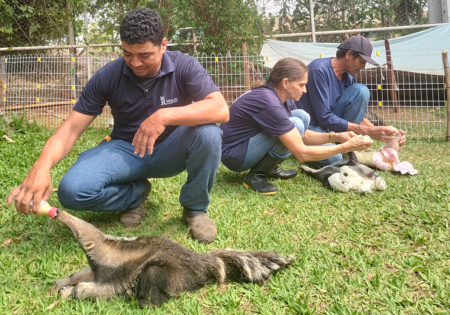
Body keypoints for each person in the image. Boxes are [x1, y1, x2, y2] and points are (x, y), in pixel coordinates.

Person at [6, 9, 229, 244]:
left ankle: (194, 209)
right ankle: (135, 194)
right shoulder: (108, 76)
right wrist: (41, 166)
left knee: (209, 133)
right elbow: (71, 129)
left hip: (171, 150)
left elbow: (220, 109)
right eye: (127, 53)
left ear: (163, 45)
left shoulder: (184, 66)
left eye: (144, 55)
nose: (135, 62)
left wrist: (163, 116)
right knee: (72, 191)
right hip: (126, 151)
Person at [220, 58, 373, 195]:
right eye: (301, 85)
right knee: (296, 123)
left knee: (301, 116)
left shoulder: (283, 96)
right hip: (234, 154)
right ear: (285, 83)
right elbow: (301, 154)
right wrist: (345, 147)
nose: (305, 90)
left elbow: (302, 135)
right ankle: (256, 176)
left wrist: (334, 136)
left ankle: (270, 167)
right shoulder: (269, 102)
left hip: (246, 145)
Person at [296, 36, 407, 168]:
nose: (363, 67)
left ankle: (343, 146)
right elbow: (324, 118)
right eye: (361, 61)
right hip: (312, 129)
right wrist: (370, 132)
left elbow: (356, 115)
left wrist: (385, 134)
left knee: (360, 91)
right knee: (336, 159)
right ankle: (342, 148)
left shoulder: (348, 77)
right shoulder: (318, 70)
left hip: (332, 128)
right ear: (349, 54)